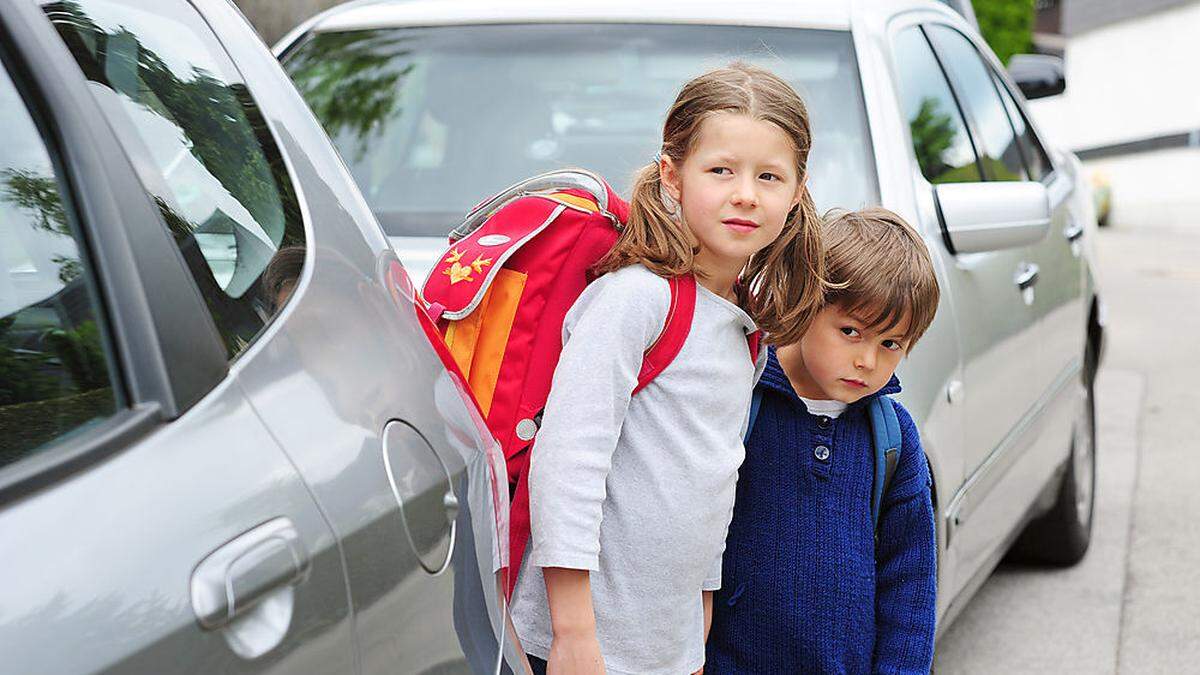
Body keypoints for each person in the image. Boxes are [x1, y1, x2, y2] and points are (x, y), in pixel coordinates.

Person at [508, 63, 827, 675]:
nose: (745, 194)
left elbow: (709, 476)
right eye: (720, 171)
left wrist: (700, 613)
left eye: (769, 176)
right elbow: (569, 460)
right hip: (577, 644)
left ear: (797, 189)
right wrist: (573, 632)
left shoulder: (739, 324)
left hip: (664, 645)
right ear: (672, 176)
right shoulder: (638, 299)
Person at [705, 207, 941, 674]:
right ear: (806, 304)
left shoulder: (894, 439)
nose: (867, 361)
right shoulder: (740, 401)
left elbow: (910, 585)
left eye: (891, 344)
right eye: (851, 332)